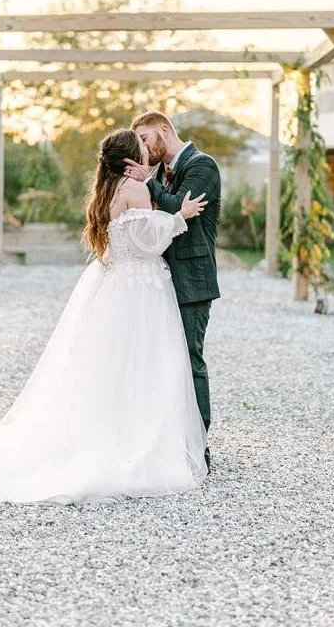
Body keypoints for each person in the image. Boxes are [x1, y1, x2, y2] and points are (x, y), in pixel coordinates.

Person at [0, 128, 209, 505]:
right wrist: (181, 216)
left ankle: (114, 434)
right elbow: (148, 241)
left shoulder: (107, 190)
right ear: (131, 159)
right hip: (141, 288)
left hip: (119, 286)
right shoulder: (136, 188)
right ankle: (137, 443)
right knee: (145, 365)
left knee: (112, 367)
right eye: (142, 146)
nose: (148, 151)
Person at [124, 112, 221, 470]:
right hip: (162, 279)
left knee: (190, 361)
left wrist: (147, 183)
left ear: (164, 129)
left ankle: (199, 447)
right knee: (165, 362)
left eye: (147, 139)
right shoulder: (160, 173)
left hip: (193, 280)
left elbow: (177, 210)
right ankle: (168, 441)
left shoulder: (202, 165)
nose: (144, 148)